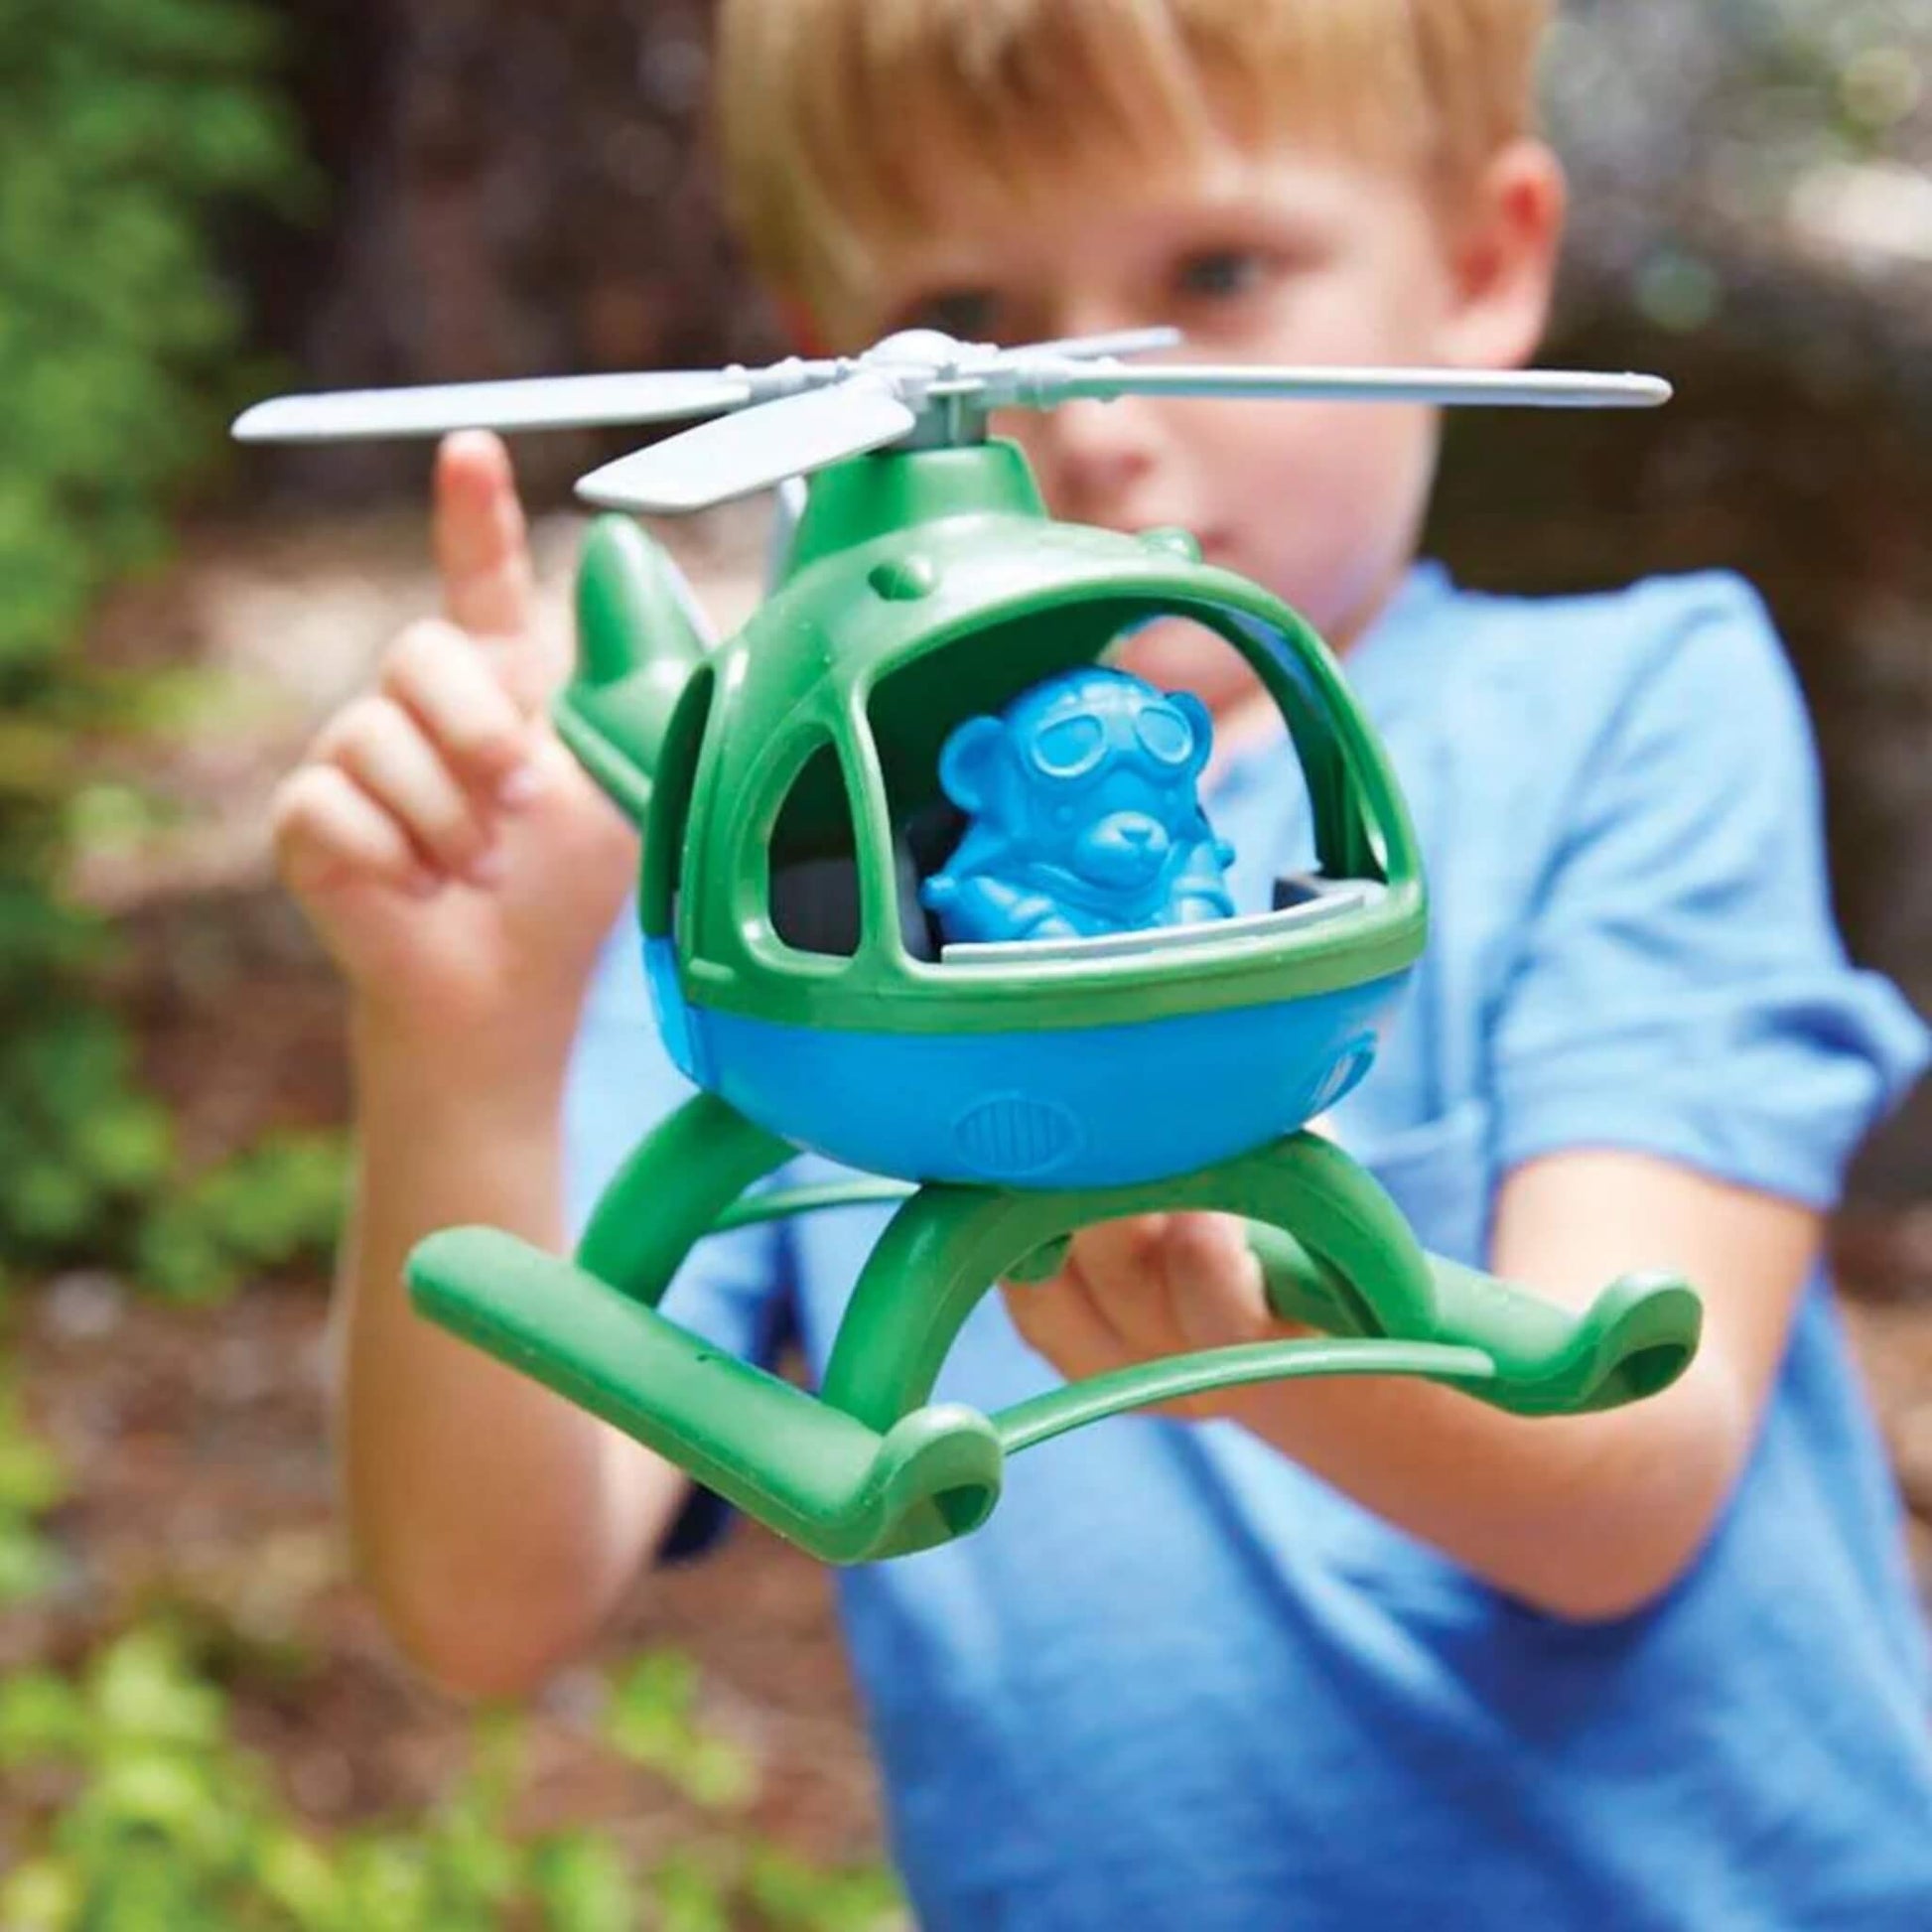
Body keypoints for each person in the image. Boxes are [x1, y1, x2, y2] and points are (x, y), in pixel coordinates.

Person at [271, 0, 1932, 1924]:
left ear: (1477, 266)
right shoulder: (803, 891)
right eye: (962, 303)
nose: (1090, 420)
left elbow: (1630, 1481)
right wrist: (462, 1048)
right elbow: (491, 1600)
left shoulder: (1635, 704)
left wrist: (1258, 1341)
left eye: (1212, 275)